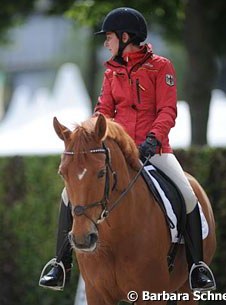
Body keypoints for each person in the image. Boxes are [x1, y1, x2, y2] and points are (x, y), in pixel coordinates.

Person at [39, 7, 216, 292]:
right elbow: (103, 111)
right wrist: (92, 136)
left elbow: (167, 110)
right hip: (117, 150)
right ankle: (61, 264)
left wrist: (152, 140)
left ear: (125, 37)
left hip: (154, 149)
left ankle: (197, 267)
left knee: (187, 195)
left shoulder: (161, 66)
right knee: (67, 196)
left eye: (109, 37)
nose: (106, 42)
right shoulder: (111, 71)